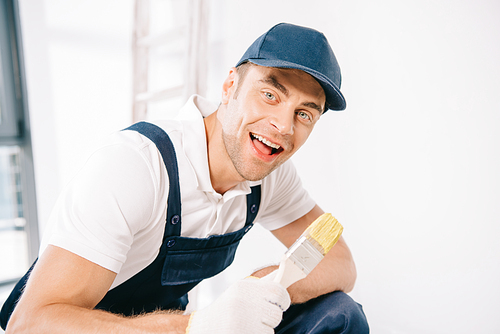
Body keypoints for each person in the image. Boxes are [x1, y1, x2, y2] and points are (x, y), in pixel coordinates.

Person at [0, 22, 369, 333]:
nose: (283, 127)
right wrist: (197, 326)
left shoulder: (270, 174)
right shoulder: (137, 165)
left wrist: (259, 288)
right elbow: (31, 322)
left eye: (304, 114)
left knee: (340, 314)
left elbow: (341, 262)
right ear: (229, 88)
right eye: (270, 94)